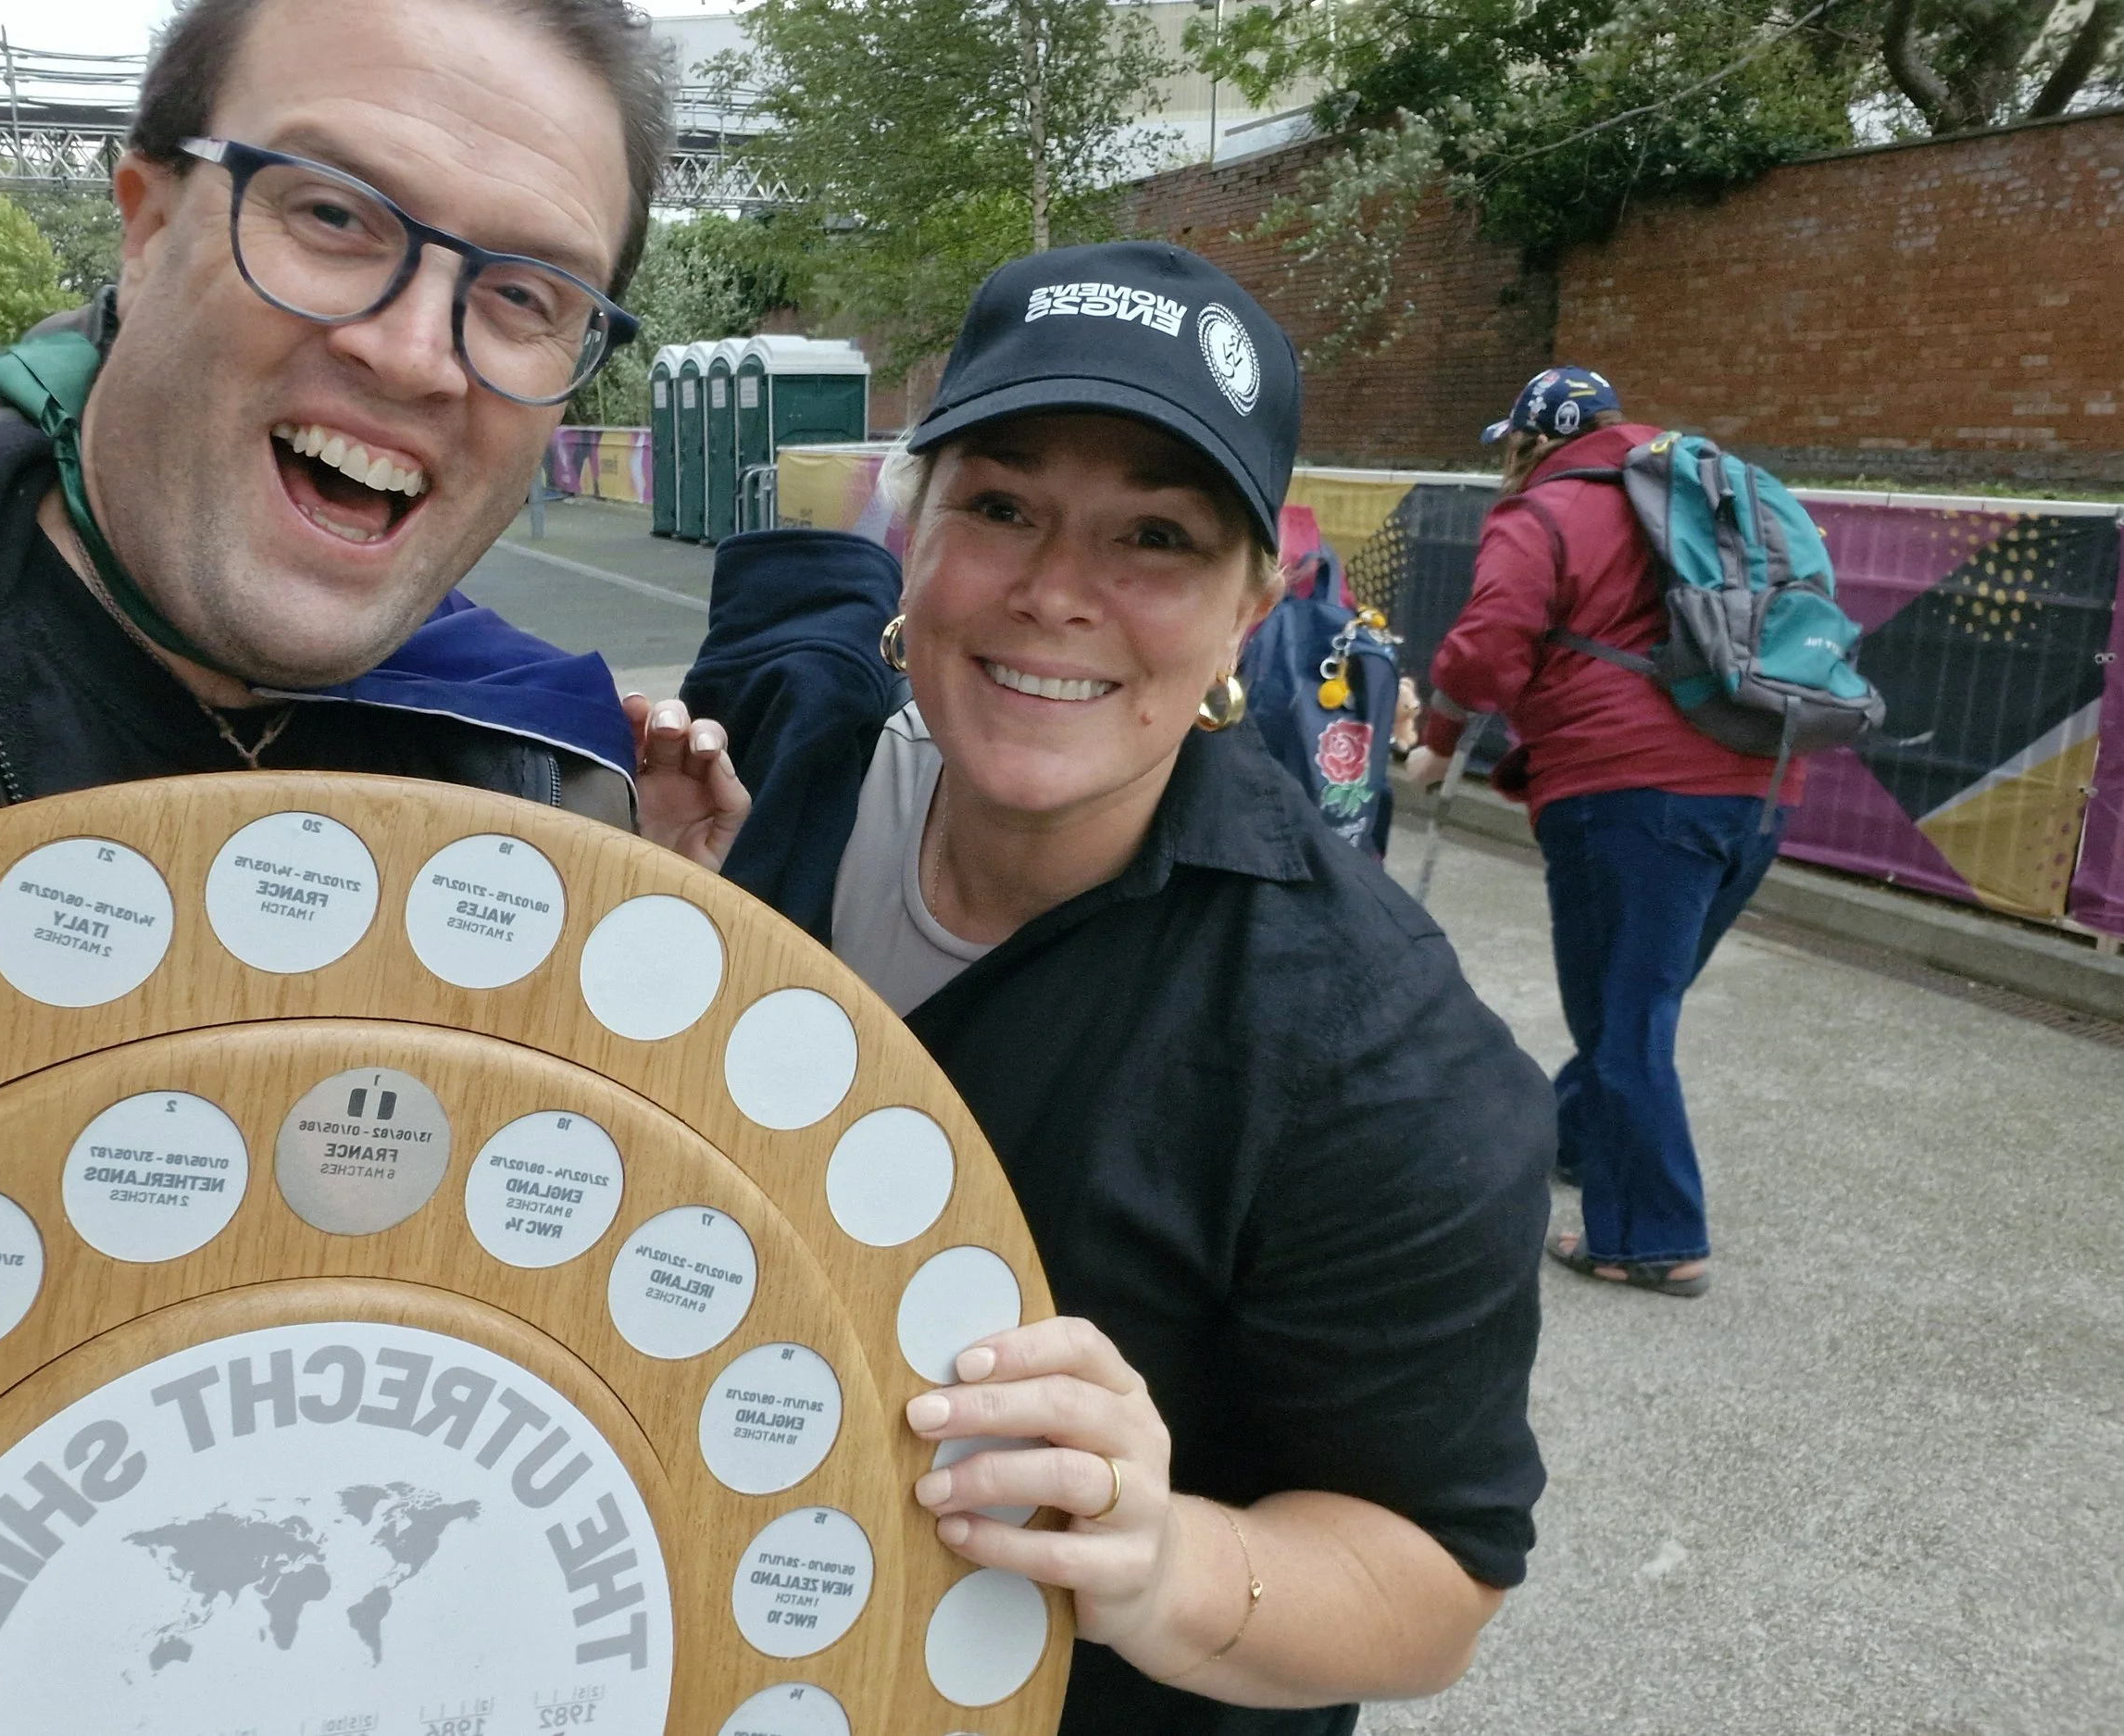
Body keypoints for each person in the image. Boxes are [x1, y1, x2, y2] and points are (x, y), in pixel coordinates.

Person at [675, 243, 1555, 1734]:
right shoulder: (802, 789)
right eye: (1003, 507)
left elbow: (1434, 1577)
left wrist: (1171, 1565)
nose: (1056, 594)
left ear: (1252, 604)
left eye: (1155, 536)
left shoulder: (1369, 1045)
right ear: (915, 530)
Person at [0, 0, 745, 873]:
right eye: (333, 215)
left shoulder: (552, 792)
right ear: (150, 227)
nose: (416, 356)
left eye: (522, 295)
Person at [1406, 367, 1804, 1298]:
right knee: (1641, 997)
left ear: (1531, 441)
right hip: (1765, 780)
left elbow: (1489, 641)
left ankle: (1654, 1239)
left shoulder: (1545, 510)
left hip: (1627, 791)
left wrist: (1436, 741)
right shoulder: (1709, 493)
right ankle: (1576, 1139)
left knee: (1624, 1017)